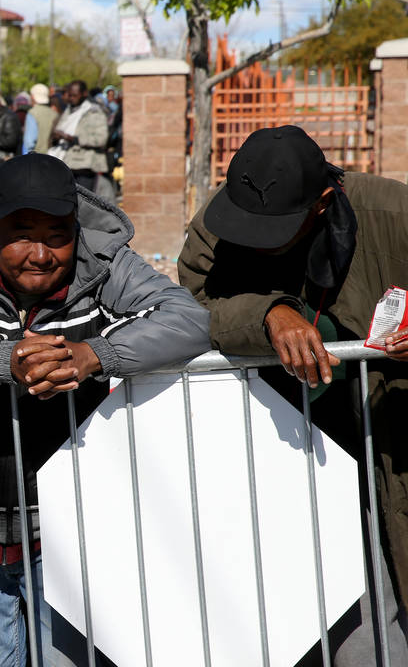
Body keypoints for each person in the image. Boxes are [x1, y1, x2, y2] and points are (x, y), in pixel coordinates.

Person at [0, 153, 209, 666]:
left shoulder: (103, 259)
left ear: (77, 230)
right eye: (22, 233)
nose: (39, 253)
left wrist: (94, 355)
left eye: (56, 234)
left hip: (69, 530)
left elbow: (187, 319)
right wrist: (4, 360)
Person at [178, 125, 408, 665]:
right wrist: (266, 311)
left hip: (388, 435)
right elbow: (183, 307)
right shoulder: (223, 214)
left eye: (274, 227)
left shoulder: (394, 214)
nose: (253, 235)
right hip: (271, 449)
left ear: (324, 202)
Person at [49, 80, 112, 200]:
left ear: (84, 94)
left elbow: (101, 139)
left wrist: (73, 138)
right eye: (69, 95)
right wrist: (57, 137)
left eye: (74, 95)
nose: (71, 98)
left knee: (83, 203)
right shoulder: (69, 110)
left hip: (85, 167)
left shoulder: (95, 112)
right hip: (67, 164)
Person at [23, 83, 57, 155]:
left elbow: (29, 142)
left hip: (36, 157)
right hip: (52, 156)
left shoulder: (33, 113)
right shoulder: (54, 113)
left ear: (33, 97)